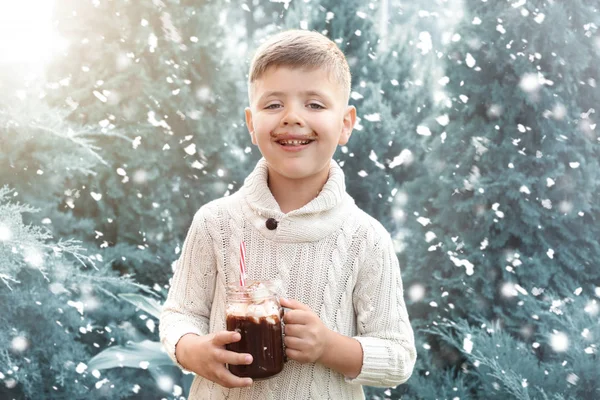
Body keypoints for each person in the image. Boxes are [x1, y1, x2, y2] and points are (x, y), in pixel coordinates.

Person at [159, 29, 417, 399]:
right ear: (251, 123)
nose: (292, 117)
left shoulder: (366, 238)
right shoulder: (215, 222)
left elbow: (398, 357)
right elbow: (179, 313)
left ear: (345, 123)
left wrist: (329, 347)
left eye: (314, 104)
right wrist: (190, 349)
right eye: (273, 104)